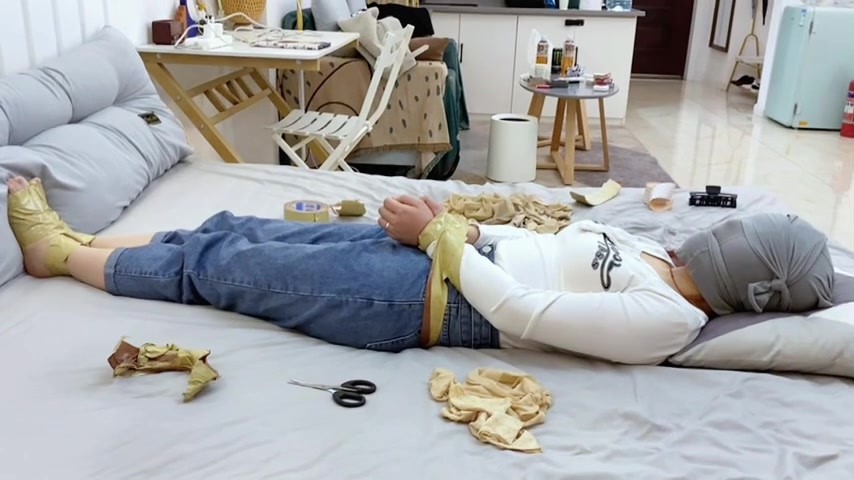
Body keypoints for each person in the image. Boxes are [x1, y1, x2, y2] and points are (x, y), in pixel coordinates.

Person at [6, 176, 836, 364]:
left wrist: (441, 242)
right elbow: (549, 242)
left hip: (419, 300)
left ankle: (59, 255)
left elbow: (522, 313)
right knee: (241, 227)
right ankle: (89, 239)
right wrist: (457, 224)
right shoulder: (659, 254)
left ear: (752, 281)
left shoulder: (668, 321)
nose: (718, 231)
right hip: (438, 251)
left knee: (228, 267)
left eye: (740, 236)